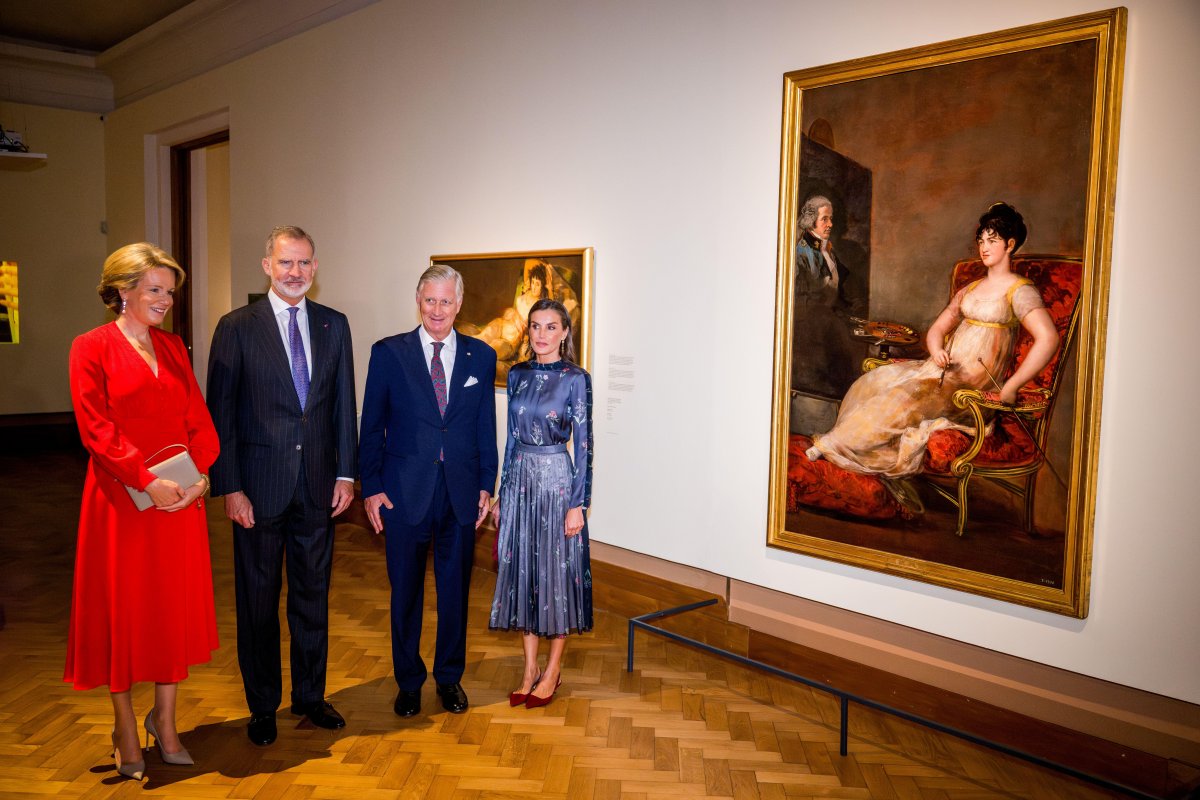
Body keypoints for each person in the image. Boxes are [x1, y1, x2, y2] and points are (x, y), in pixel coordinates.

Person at [65, 243, 219, 781]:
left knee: (168, 611)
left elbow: (199, 419)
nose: (165, 300)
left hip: (179, 503)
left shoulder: (174, 348)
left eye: (170, 292)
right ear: (123, 290)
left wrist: (200, 475)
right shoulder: (90, 347)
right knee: (125, 612)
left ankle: (167, 720)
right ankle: (125, 725)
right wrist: (147, 480)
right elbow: (95, 430)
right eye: (155, 289)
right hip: (121, 503)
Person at [206, 226, 357, 746]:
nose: (295, 272)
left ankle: (311, 697)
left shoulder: (334, 326)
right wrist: (230, 487)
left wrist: (346, 473)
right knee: (257, 603)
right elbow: (219, 415)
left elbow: (343, 408)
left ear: (315, 268)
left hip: (317, 487)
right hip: (257, 491)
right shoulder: (236, 327)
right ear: (266, 265)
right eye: (285, 262)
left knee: (313, 599)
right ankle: (263, 705)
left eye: (304, 263)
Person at [805, 203, 1059, 503]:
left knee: (902, 398)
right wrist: (937, 351)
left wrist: (1013, 385)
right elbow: (937, 329)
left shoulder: (1019, 290)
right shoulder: (972, 288)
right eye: (981, 240)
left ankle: (832, 445)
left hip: (971, 388)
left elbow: (1048, 338)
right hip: (941, 373)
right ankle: (849, 454)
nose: (984, 247)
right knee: (879, 382)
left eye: (992, 240)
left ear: (1010, 244)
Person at [359, 264, 498, 717]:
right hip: (403, 494)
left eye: (446, 301)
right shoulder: (388, 353)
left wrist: (486, 484)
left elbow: (485, 428)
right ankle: (409, 680)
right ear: (418, 301)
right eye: (429, 300)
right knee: (406, 594)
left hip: (460, 493)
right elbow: (371, 426)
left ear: (459, 304)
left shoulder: (481, 356)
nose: (437, 309)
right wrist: (372, 488)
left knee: (456, 592)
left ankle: (449, 678)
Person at [488, 298, 593, 708]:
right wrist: (502, 493)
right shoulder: (517, 374)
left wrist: (577, 504)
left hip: (556, 484)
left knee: (557, 575)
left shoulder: (575, 378)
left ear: (565, 332)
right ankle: (529, 668)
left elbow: (584, 445)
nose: (541, 334)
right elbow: (512, 439)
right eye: (535, 326)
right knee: (525, 574)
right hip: (520, 486)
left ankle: (553, 671)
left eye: (551, 327)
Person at [791, 195, 866, 398]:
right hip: (810, 324)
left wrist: (848, 305)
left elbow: (835, 287)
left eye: (830, 218)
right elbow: (801, 297)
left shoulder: (827, 249)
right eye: (825, 219)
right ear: (810, 221)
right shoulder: (801, 252)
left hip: (828, 318)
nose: (830, 224)